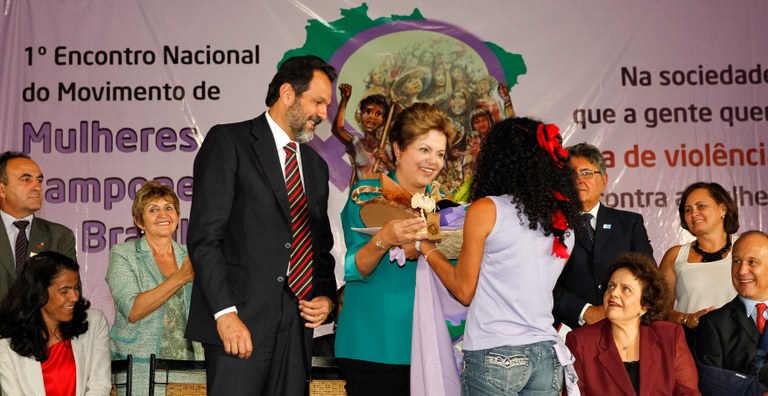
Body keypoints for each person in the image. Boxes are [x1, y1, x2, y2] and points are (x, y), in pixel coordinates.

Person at [185, 55, 338, 396]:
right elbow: (205, 239)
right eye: (317, 102)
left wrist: (325, 296)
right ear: (287, 93)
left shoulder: (315, 166)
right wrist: (225, 314)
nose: (323, 114)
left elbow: (321, 249)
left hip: (296, 327)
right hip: (239, 321)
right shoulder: (230, 141)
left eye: (326, 105)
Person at [419, 117, 583, 395]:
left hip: (495, 350)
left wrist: (426, 247)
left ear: (499, 159)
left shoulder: (487, 209)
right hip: (546, 354)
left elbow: (463, 290)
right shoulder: (564, 224)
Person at [335, 102, 457, 395]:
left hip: (432, 347)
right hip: (374, 345)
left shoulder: (446, 207)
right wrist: (384, 239)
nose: (433, 161)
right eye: (424, 149)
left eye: (440, 154)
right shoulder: (367, 196)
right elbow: (355, 267)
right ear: (398, 150)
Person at [106, 181, 203, 391]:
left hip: (191, 367)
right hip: (140, 368)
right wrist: (180, 277)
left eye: (169, 208)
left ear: (177, 216)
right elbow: (133, 310)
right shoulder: (123, 254)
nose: (163, 214)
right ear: (139, 221)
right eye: (153, 209)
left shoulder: (192, 255)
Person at [566, 253, 701, 395]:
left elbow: (688, 392)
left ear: (645, 305)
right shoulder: (581, 342)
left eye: (626, 289)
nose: (614, 293)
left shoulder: (670, 336)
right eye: (611, 286)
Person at [553, 143, 654, 329]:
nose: (578, 180)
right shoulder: (549, 227)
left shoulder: (629, 223)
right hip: (569, 328)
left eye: (586, 173)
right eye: (570, 174)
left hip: (625, 328)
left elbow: (647, 276)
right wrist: (585, 311)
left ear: (604, 180)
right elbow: (539, 282)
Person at [0, 251, 110, 395]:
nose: (75, 297)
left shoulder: (94, 323)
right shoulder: (6, 345)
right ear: (39, 293)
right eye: (65, 291)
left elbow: (100, 386)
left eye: (76, 287)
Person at [660, 182, 739, 334]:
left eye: (701, 206)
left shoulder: (746, 247)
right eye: (688, 210)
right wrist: (687, 319)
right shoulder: (674, 256)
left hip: (743, 342)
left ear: (723, 209)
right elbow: (658, 309)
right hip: (692, 342)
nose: (693, 213)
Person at [694, 231, 768, 393]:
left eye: (752, 262)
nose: (741, 271)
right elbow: (710, 387)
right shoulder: (713, 324)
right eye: (736, 261)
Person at [0, 151, 76, 302]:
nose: (37, 187)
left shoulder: (59, 236)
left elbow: (68, 293)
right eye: (26, 180)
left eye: (39, 180)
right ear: (2, 190)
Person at [331, 83, 395, 187]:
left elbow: (400, 177)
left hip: (382, 196)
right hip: (360, 195)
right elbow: (338, 129)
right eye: (368, 112)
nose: (372, 117)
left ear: (384, 120)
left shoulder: (387, 147)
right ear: (361, 115)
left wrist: (387, 162)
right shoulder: (356, 144)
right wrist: (344, 99)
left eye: (378, 114)